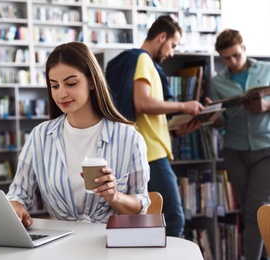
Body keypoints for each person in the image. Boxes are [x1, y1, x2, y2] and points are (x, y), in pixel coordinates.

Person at [6, 41, 150, 227]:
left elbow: (141, 205)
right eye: (55, 86)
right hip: (61, 245)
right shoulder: (39, 137)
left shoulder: (128, 137)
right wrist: (16, 207)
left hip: (109, 243)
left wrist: (114, 196)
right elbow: (17, 193)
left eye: (71, 83)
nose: (61, 94)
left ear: (91, 81)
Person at [106, 15, 204, 237]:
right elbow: (143, 103)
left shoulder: (139, 62)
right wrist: (185, 105)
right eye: (173, 45)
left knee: (146, 221)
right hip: (151, 155)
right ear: (162, 37)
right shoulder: (143, 60)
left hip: (146, 151)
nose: (172, 53)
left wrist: (178, 130)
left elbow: (146, 116)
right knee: (174, 218)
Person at [209, 29, 270, 260]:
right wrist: (212, 118)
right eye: (226, 58)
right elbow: (220, 122)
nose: (232, 62)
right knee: (250, 212)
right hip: (235, 152)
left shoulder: (267, 70)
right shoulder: (216, 83)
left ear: (244, 48)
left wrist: (266, 106)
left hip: (266, 149)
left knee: (257, 210)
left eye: (236, 55)